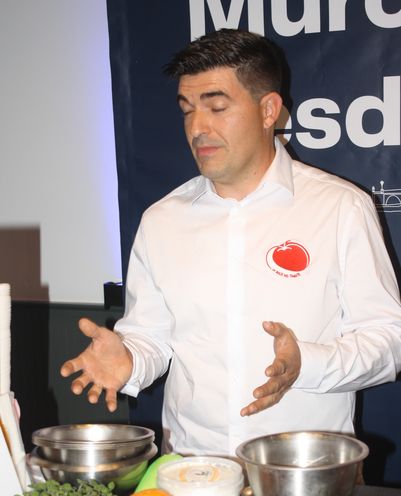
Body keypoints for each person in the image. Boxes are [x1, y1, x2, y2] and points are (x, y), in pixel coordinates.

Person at [61, 29, 401, 457]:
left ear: (268, 110)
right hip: (191, 470)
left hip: (307, 469)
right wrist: (131, 360)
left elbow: (389, 339)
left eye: (217, 107)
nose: (197, 128)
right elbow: (151, 337)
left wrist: (308, 363)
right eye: (187, 110)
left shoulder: (339, 207)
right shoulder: (161, 220)